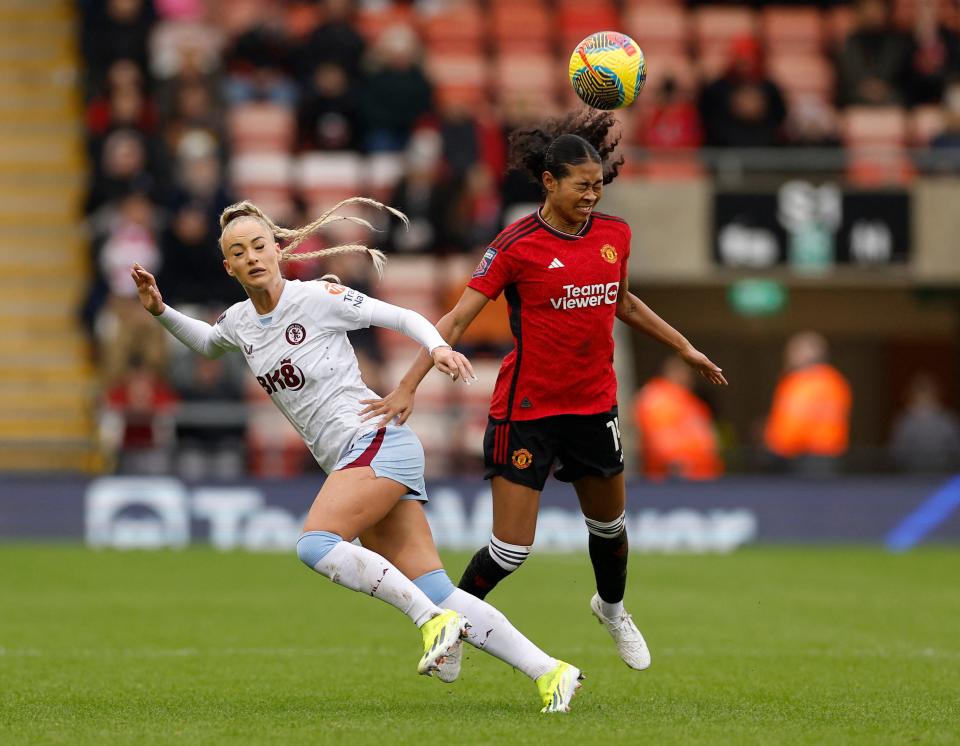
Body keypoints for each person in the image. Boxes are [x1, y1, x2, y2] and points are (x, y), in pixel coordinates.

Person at [130, 197, 583, 713]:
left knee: (315, 544)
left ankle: (431, 623)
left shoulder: (316, 297)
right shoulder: (238, 321)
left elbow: (400, 315)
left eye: (260, 245)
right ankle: (551, 672)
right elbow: (210, 344)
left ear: (278, 250)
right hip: (356, 457)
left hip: (374, 440)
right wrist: (160, 312)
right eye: (240, 251)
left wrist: (435, 348)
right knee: (437, 587)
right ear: (228, 266)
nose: (253, 256)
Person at [361, 110, 727, 671]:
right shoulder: (516, 244)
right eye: (582, 186)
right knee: (511, 550)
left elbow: (623, 302)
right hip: (527, 410)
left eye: (599, 186)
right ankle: (451, 631)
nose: (592, 197)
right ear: (549, 183)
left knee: (609, 527)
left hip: (594, 405)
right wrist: (409, 384)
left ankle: (611, 607)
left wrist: (684, 347)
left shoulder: (615, 235)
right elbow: (457, 320)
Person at [763, 331, 852, 476]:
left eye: (794, 350)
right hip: (828, 457)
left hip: (805, 460)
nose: (789, 355)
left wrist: (773, 447)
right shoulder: (835, 381)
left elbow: (794, 424)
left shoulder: (804, 382)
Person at [634, 356, 723, 481]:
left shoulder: (692, 402)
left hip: (703, 476)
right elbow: (660, 439)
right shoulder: (657, 398)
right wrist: (676, 466)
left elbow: (710, 434)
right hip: (672, 479)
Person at [889, 373, 960, 473]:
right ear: (911, 396)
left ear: (935, 395)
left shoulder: (947, 420)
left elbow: (955, 449)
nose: (924, 398)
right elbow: (897, 453)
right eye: (919, 394)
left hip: (942, 474)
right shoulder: (905, 421)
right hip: (911, 476)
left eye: (927, 393)